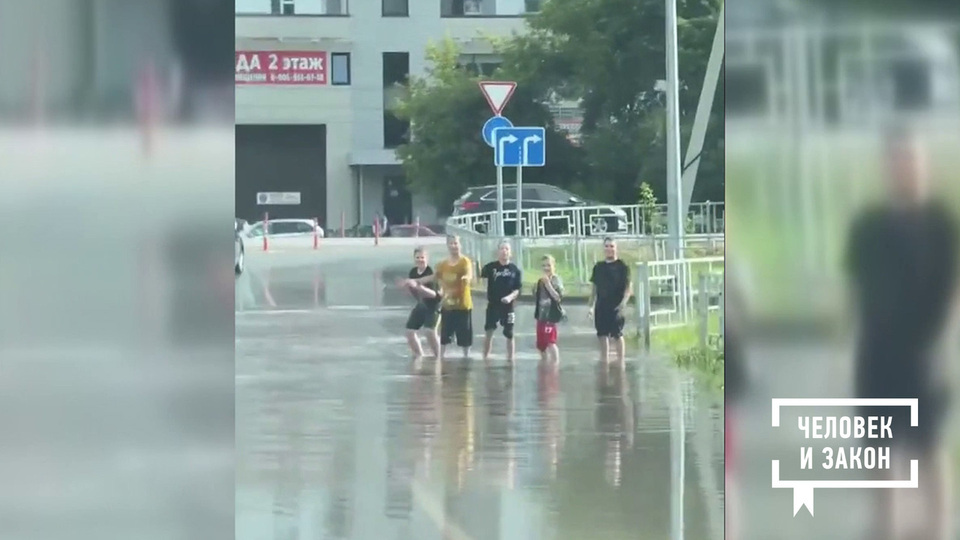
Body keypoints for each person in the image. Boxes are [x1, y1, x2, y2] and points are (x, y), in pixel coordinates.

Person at [845, 127, 958, 540]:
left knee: (929, 449)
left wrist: (943, 348)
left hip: (923, 354)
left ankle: (939, 530)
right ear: (887, 168)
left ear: (923, 166)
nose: (906, 169)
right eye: (898, 161)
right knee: (879, 453)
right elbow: (855, 294)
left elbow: (952, 291)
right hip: (876, 355)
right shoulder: (869, 227)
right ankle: (886, 529)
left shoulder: (940, 224)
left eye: (913, 161)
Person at [408, 235, 474, 360]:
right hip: (447, 305)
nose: (454, 246)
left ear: (460, 245)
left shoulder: (465, 261)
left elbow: (469, 274)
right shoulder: (443, 265)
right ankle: (440, 361)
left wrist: (467, 278)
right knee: (444, 338)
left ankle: (466, 363)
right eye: (451, 244)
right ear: (448, 246)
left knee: (464, 339)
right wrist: (415, 282)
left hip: (463, 305)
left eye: (456, 243)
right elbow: (433, 277)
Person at [588, 237, 632, 365]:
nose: (609, 249)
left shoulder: (622, 267)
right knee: (602, 334)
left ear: (616, 248)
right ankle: (604, 360)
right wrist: (590, 306)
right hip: (601, 305)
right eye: (606, 246)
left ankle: (621, 362)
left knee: (617, 334)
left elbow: (628, 287)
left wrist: (623, 303)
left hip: (617, 305)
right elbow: (594, 288)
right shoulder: (598, 267)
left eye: (611, 246)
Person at [480, 241, 522, 363]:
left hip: (508, 306)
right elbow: (479, 278)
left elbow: (517, 290)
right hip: (493, 305)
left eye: (507, 249)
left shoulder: (515, 270)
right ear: (497, 252)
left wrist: (509, 297)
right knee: (489, 330)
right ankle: (485, 357)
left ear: (510, 253)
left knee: (509, 333)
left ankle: (511, 359)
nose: (504, 251)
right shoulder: (490, 267)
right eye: (502, 249)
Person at [398, 247, 441, 360]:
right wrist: (406, 288)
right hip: (421, 304)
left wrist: (418, 287)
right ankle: (419, 355)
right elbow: (413, 290)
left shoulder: (430, 272)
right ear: (414, 259)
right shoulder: (413, 272)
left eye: (422, 257)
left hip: (434, 306)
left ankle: (438, 356)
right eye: (418, 257)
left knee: (429, 331)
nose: (420, 260)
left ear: (427, 259)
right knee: (409, 332)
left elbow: (434, 295)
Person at [534, 255, 564, 364]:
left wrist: (548, 284)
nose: (546, 268)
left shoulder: (556, 280)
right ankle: (544, 364)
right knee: (541, 344)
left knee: (550, 342)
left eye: (548, 265)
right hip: (541, 316)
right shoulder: (540, 281)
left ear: (553, 266)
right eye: (543, 266)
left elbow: (558, 297)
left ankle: (555, 364)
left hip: (551, 316)